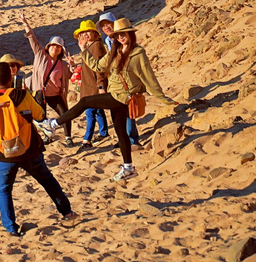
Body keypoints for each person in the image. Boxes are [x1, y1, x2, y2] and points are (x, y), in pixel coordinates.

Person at [40, 18, 178, 181]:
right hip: (115, 95)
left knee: (85, 102)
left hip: (122, 97)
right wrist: (83, 50)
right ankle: (129, 168)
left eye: (123, 34)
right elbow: (98, 66)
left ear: (130, 34)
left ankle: (54, 124)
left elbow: (149, 78)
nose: (120, 37)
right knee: (121, 133)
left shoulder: (137, 53)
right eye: (117, 35)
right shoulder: (115, 52)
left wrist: (164, 99)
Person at [0, 61, 76, 237]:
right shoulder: (23, 96)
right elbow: (40, 115)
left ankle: (11, 228)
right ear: (11, 77)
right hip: (29, 149)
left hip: (3, 153)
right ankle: (67, 212)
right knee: (47, 180)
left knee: (4, 190)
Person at [18, 12, 74, 147]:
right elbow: (32, 38)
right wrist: (25, 24)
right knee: (41, 117)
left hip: (54, 94)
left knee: (65, 114)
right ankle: (47, 137)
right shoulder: (40, 54)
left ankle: (68, 137)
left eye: (58, 47)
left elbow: (70, 77)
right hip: (39, 93)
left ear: (61, 50)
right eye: (53, 45)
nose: (55, 48)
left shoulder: (63, 65)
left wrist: (72, 66)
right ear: (49, 47)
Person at [98, 12, 140, 146]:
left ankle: (132, 140)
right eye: (103, 26)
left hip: (126, 80)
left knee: (129, 111)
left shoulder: (123, 38)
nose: (106, 28)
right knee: (117, 113)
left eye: (108, 24)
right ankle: (123, 139)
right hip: (114, 81)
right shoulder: (106, 41)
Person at [72, 20, 109, 152]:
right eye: (82, 32)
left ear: (94, 33)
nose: (85, 34)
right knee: (97, 110)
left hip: (93, 86)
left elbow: (100, 68)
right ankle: (104, 131)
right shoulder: (90, 46)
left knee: (89, 112)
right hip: (89, 85)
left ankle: (87, 140)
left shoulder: (97, 46)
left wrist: (100, 86)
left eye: (87, 31)